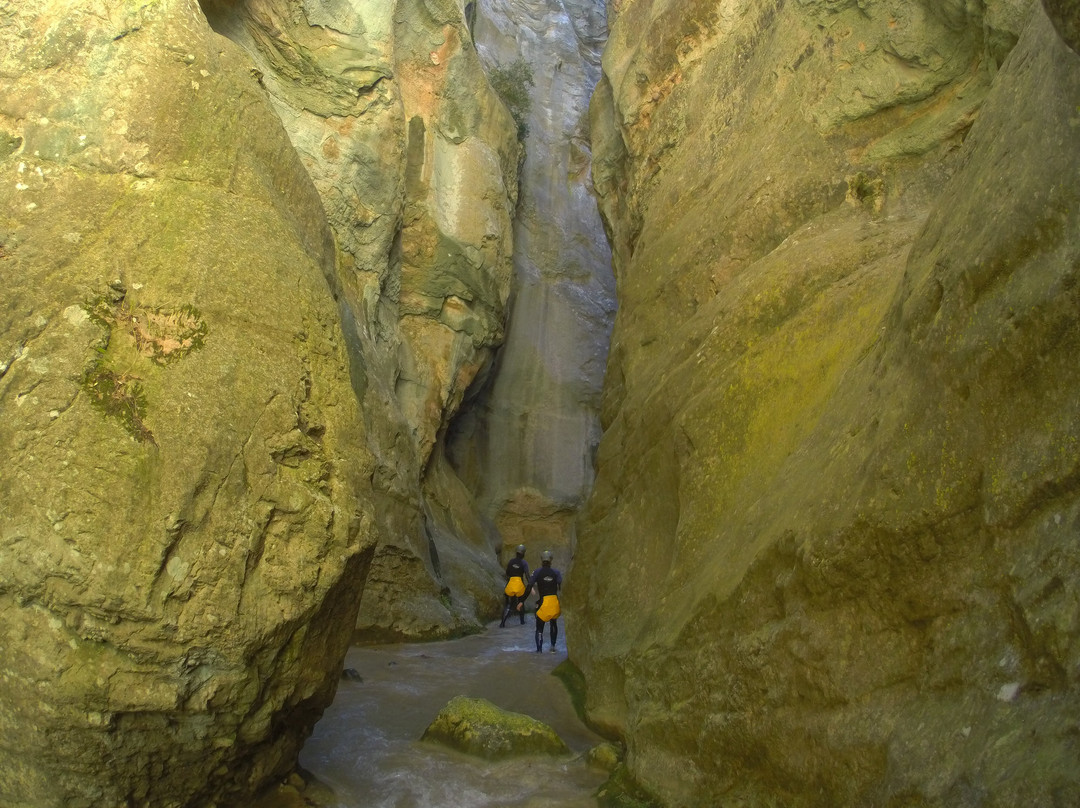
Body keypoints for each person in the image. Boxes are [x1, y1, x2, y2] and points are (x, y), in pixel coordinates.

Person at [524, 550, 562, 653]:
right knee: (553, 623)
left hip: (543, 603)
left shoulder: (537, 572)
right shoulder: (556, 572)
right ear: (551, 560)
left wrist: (521, 600)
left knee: (539, 628)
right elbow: (562, 587)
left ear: (542, 560)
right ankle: (553, 647)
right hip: (554, 602)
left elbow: (529, 586)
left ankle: (539, 651)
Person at [499, 544, 530, 627]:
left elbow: (507, 573)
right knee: (521, 602)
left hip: (511, 584)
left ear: (516, 553)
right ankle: (522, 622)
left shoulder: (511, 561)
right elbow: (527, 576)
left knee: (508, 605)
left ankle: (502, 623)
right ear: (523, 554)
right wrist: (531, 585)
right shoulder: (524, 563)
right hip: (519, 585)